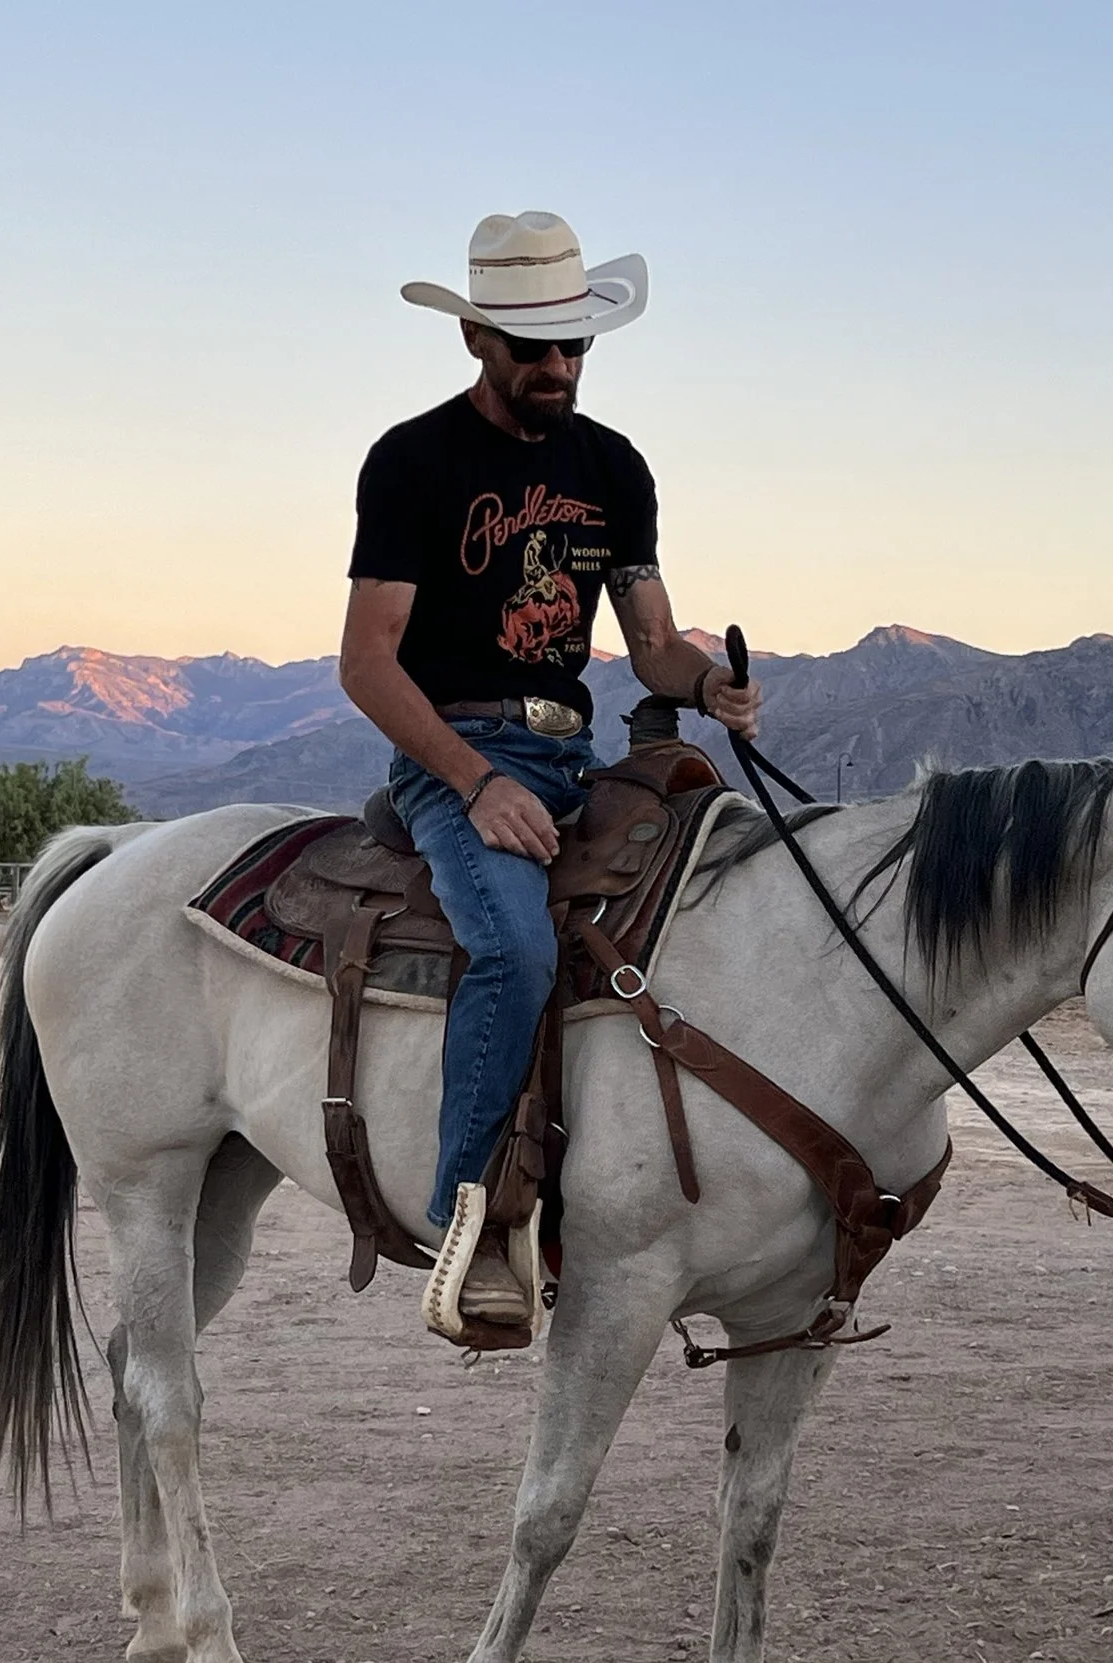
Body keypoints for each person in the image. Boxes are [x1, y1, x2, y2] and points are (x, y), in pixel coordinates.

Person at [339, 211, 760, 1334]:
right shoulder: (412, 462)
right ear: (477, 338)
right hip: (459, 751)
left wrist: (707, 679)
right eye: (534, 349)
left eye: (575, 346)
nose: (558, 368)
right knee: (517, 948)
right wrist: (475, 780)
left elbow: (652, 641)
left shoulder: (612, 466)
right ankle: (463, 1218)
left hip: (579, 747)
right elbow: (367, 664)